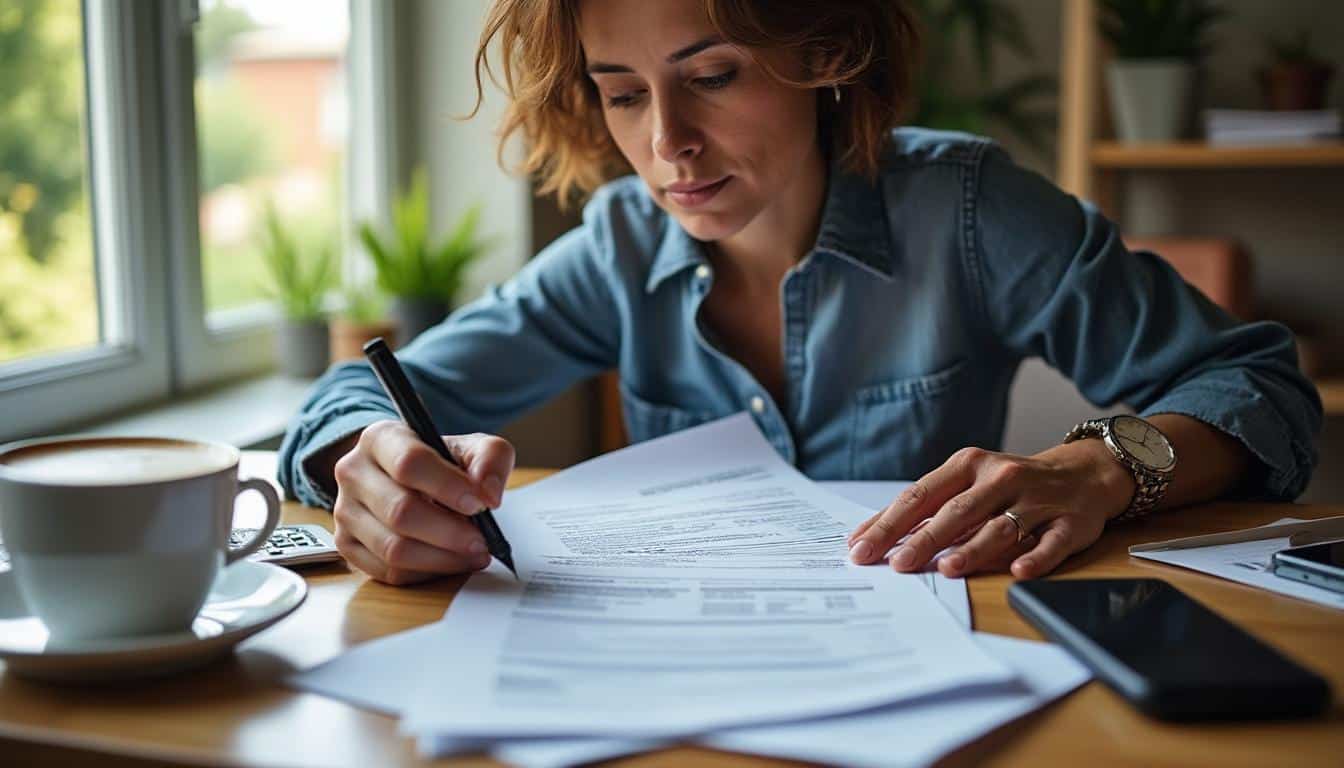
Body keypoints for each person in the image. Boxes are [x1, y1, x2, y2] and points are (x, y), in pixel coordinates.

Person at [279, 0, 1320, 586]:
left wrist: (1098, 468)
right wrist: (366, 468)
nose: (667, 143)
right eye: (624, 94)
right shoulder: (618, 248)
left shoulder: (968, 212)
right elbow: (349, 401)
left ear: (825, 53)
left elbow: (1258, 384)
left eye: (714, 76)